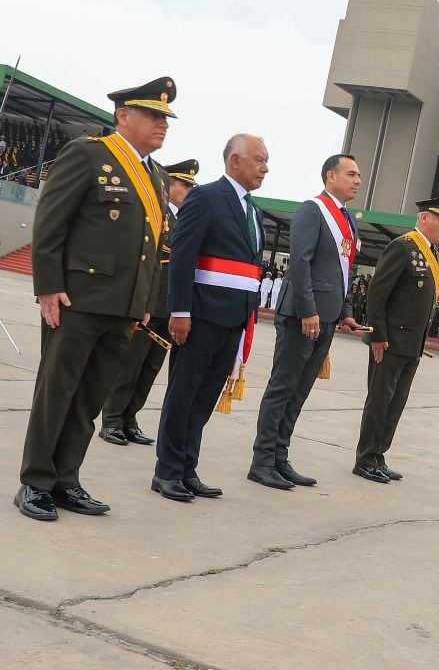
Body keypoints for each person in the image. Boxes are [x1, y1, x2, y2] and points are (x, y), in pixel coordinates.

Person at [14, 77, 175, 521]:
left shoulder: (157, 176)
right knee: (57, 393)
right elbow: (51, 221)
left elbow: (154, 247)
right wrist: (47, 286)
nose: (162, 125)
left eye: (165, 118)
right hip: (78, 300)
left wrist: (145, 302)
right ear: (123, 116)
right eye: (153, 115)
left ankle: (66, 480)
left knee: (88, 400)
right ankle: (36, 482)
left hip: (124, 308)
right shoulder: (89, 155)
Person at [153, 134, 268, 502]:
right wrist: (180, 311)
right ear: (235, 161)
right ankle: (167, 471)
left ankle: (187, 468)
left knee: (204, 398)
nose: (265, 168)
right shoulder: (205, 197)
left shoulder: (254, 210)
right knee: (183, 395)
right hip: (200, 315)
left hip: (234, 319)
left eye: (266, 161)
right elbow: (183, 256)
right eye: (259, 160)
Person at [248, 154, 361, 490]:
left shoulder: (347, 218)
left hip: (328, 316)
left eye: (359, 175)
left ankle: (279, 458)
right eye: (351, 174)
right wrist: (308, 309)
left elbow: (345, 270)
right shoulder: (313, 210)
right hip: (302, 316)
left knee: (299, 392)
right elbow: (300, 261)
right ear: (330, 176)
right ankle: (262, 461)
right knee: (283, 387)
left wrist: (346, 311)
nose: (357, 180)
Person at [354, 195, 439, 483]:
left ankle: (378, 456)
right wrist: (377, 335)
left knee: (395, 404)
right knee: (379, 401)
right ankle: (365, 459)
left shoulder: (433, 253)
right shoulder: (403, 246)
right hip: (389, 342)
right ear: (424, 218)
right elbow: (377, 293)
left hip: (412, 344)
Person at [99, 159, 199, 447]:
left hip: (170, 308)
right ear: (169, 184)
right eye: (184, 185)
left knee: (149, 369)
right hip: (148, 304)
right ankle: (112, 420)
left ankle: (129, 419)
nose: (188, 191)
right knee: (129, 366)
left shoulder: (186, 220)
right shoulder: (157, 215)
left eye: (191, 186)